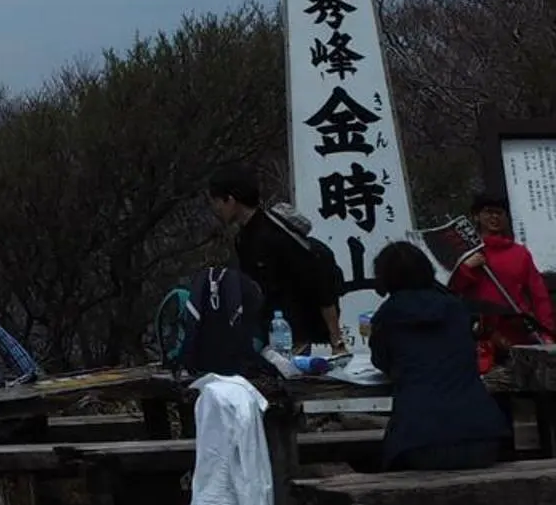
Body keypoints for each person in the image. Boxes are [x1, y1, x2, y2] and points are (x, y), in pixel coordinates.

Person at [369, 240, 509, 472]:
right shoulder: (456, 309)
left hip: (419, 440)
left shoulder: (387, 316)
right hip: (483, 434)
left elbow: (381, 361)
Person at [207, 167, 345, 353]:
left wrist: (336, 340)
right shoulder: (243, 238)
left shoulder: (274, 235)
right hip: (267, 330)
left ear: (230, 200)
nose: (216, 209)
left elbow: (321, 282)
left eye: (217, 202)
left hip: (295, 334)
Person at [447, 190, 554, 364]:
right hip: (480, 337)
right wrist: (466, 267)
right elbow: (452, 290)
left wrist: (547, 333)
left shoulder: (520, 254)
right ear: (476, 216)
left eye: (499, 213)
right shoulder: (465, 254)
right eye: (489, 212)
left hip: (518, 334)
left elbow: (539, 296)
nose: (494, 217)